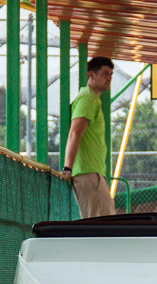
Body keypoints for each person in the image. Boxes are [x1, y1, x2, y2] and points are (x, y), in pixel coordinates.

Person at [62, 56, 115, 218]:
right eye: (105, 73)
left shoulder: (91, 99)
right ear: (91, 75)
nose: (109, 78)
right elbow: (75, 132)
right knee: (101, 228)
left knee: (102, 225)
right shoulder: (88, 98)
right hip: (89, 174)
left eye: (111, 74)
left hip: (92, 174)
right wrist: (67, 168)